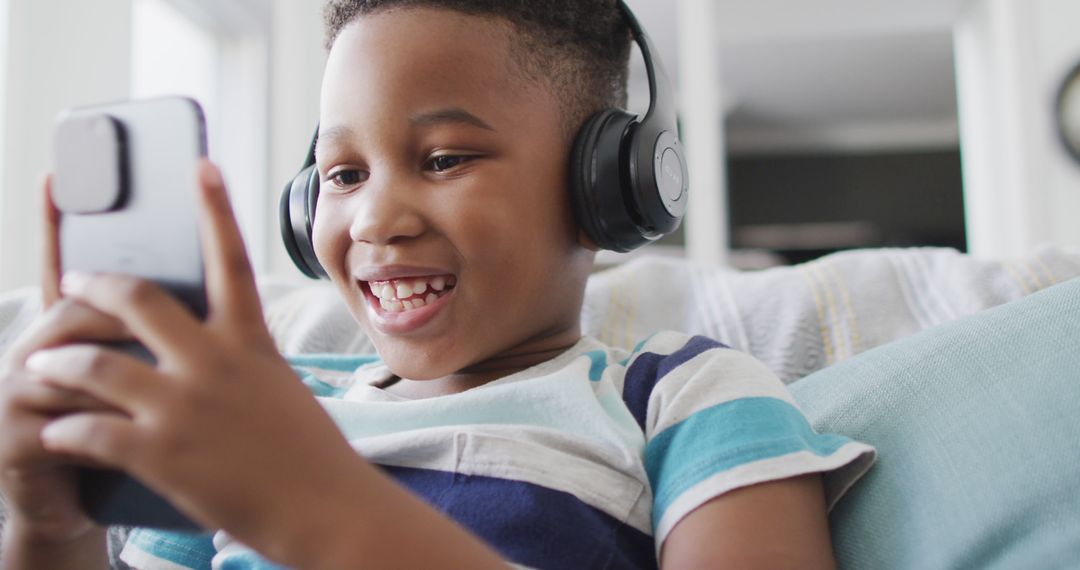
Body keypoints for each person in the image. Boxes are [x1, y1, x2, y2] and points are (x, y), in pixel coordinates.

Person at [0, 1, 874, 568]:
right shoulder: (270, 403)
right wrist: (53, 531)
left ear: (606, 189)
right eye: (341, 175)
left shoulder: (684, 397)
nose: (376, 219)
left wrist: (309, 504)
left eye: (444, 158)